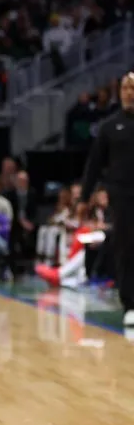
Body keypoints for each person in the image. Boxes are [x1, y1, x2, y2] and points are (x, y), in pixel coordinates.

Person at [79, 72, 134, 330]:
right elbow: (94, 164)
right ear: (120, 92)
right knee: (125, 250)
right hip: (122, 197)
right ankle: (130, 305)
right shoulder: (110, 126)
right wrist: (84, 196)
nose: (129, 92)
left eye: (133, 88)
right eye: (126, 87)